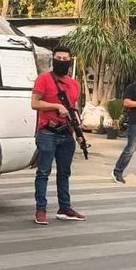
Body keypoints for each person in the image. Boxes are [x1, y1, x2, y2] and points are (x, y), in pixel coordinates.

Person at [31, 47, 86, 225]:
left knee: (64, 173)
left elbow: (73, 109)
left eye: (65, 58)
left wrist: (79, 133)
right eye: (58, 58)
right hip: (47, 132)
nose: (62, 61)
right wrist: (55, 106)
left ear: (70, 61)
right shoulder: (43, 79)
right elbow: (34, 103)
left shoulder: (74, 84)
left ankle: (65, 207)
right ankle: (41, 209)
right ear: (53, 60)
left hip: (66, 134)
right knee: (43, 172)